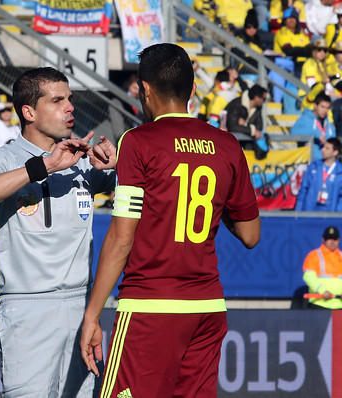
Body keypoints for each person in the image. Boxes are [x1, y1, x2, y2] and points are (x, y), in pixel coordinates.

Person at [79, 43, 261, 398]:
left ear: (144, 90)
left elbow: (121, 237)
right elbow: (251, 235)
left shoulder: (138, 141)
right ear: (193, 89)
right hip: (208, 308)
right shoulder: (226, 145)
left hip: (151, 307)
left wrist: (92, 314)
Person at [0, 66, 116, 397]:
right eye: (57, 100)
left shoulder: (83, 157)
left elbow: (143, 185)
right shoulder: (5, 158)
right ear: (29, 112)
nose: (70, 107)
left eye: (70, 99)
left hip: (81, 307)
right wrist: (45, 166)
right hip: (27, 308)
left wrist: (118, 164)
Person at [295, 138, 342, 211]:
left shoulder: (339, 171)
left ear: (335, 152)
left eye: (327, 148)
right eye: (323, 147)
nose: (323, 150)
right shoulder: (314, 166)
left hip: (330, 214)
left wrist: (337, 215)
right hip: (310, 211)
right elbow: (303, 189)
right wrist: (298, 211)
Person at [303, 226, 342, 309]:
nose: (332, 242)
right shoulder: (314, 256)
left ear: (338, 240)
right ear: (323, 240)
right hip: (319, 304)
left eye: (334, 239)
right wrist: (322, 291)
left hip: (339, 305)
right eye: (329, 238)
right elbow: (309, 277)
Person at [291, 93, 336, 162]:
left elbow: (333, 138)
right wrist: (315, 135)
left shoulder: (329, 123)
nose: (325, 110)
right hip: (309, 163)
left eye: (327, 108)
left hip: (326, 163)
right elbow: (293, 133)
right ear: (315, 106)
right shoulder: (305, 118)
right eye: (322, 107)